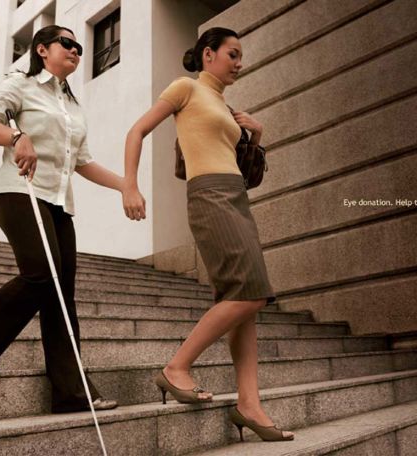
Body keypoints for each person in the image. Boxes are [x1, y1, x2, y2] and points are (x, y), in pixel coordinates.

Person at [122, 27, 294, 441]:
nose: (239, 63)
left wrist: (256, 134)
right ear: (208, 54)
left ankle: (249, 404)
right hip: (210, 195)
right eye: (232, 54)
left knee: (244, 300)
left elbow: (247, 174)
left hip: (235, 195)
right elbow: (136, 131)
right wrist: (130, 185)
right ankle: (176, 367)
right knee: (250, 293)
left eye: (241, 56)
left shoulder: (226, 107)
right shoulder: (186, 88)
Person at [0, 25, 120, 413]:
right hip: (18, 192)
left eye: (79, 47)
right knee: (41, 274)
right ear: (42, 49)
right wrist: (15, 136)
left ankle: (72, 394)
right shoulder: (20, 84)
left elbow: (83, 162)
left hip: (59, 203)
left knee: (61, 297)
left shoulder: (73, 106)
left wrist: (125, 187)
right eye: (67, 43)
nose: (76, 50)